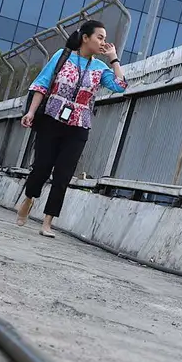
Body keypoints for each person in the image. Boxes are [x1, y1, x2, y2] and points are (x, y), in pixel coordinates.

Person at [16, 20, 127, 237]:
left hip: (79, 126)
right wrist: (30, 112)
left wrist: (113, 59)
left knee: (63, 175)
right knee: (41, 168)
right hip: (51, 119)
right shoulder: (62, 56)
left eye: (105, 39)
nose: (104, 41)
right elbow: (42, 84)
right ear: (85, 38)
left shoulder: (100, 68)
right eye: (100, 37)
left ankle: (47, 222)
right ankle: (29, 199)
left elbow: (120, 86)